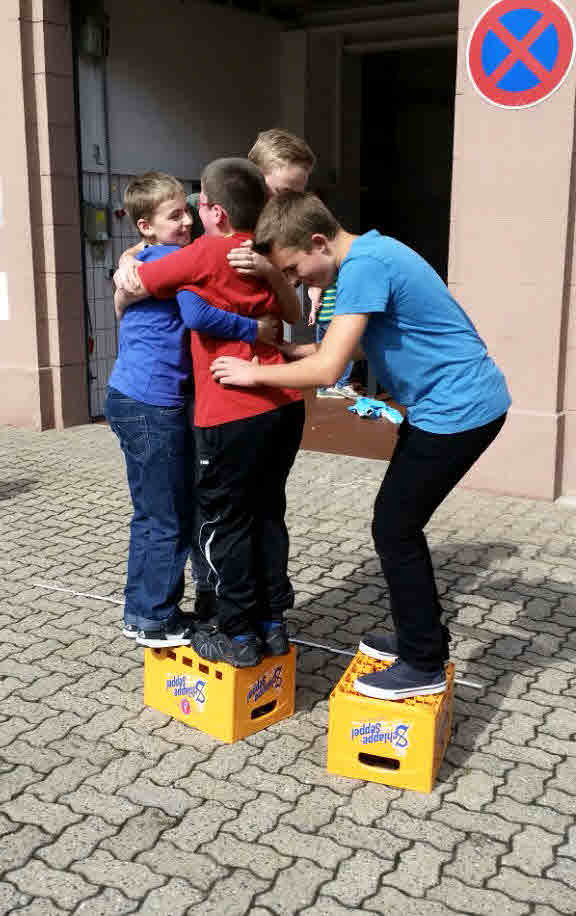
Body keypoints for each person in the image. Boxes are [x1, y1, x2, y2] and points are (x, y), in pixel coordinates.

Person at [210, 191, 511, 700]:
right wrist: (291, 350)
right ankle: (421, 636)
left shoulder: (364, 268)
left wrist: (253, 373)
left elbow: (329, 370)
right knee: (397, 523)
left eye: (294, 269)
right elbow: (346, 348)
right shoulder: (371, 255)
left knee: (394, 527)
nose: (296, 280)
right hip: (446, 408)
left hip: (460, 411)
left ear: (319, 242)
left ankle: (423, 661)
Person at [114, 159, 305, 668]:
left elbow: (140, 287)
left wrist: (129, 266)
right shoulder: (263, 252)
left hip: (228, 407)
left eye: (193, 208)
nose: (189, 220)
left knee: (224, 521)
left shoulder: (201, 254)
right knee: (261, 515)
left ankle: (234, 628)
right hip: (276, 404)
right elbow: (293, 313)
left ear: (214, 211)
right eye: (177, 213)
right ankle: (267, 622)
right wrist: (134, 253)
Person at [308, 282, 356, 399]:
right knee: (348, 350)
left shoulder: (319, 274)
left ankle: (322, 388)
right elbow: (316, 288)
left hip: (322, 318)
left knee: (323, 353)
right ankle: (342, 385)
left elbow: (312, 289)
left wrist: (313, 309)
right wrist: (313, 309)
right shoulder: (333, 274)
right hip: (332, 318)